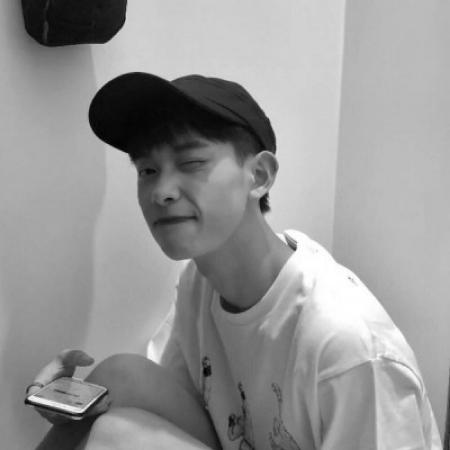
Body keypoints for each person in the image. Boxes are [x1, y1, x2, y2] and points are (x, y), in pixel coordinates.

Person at [27, 72, 442, 450]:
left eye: (191, 163)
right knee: (119, 379)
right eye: (148, 170)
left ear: (259, 176)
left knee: (118, 437)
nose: (161, 191)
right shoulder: (199, 281)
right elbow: (172, 402)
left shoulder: (348, 345)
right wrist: (70, 409)